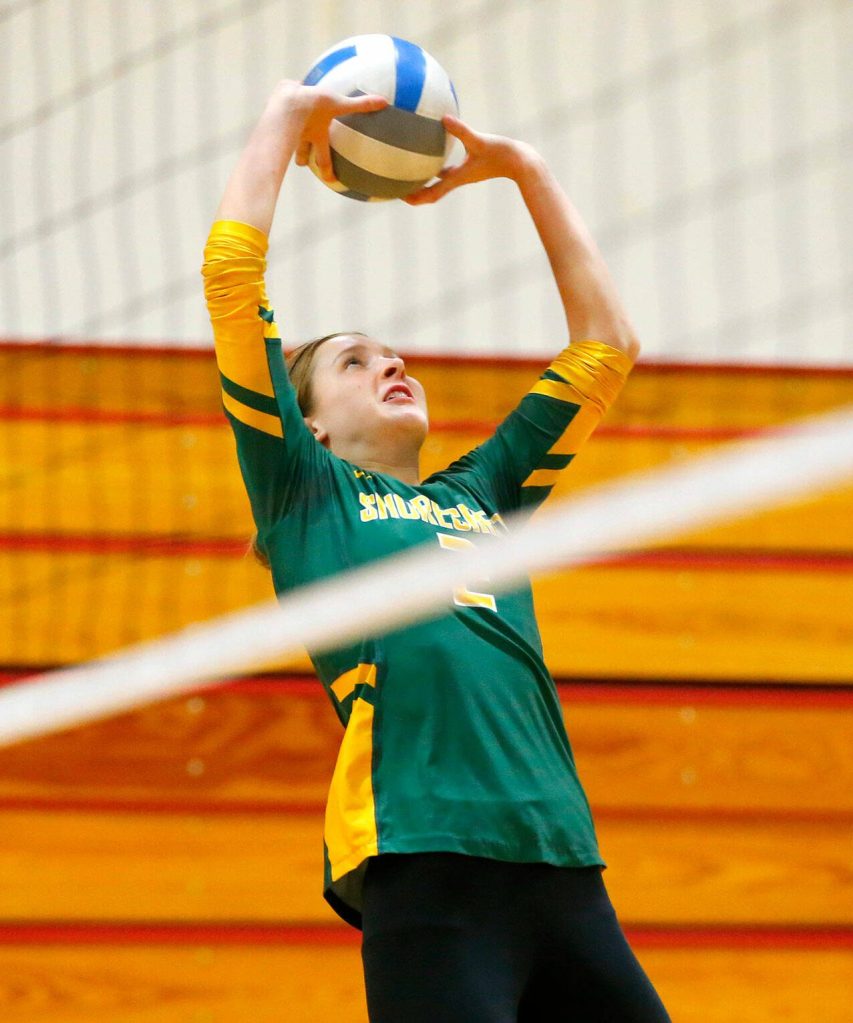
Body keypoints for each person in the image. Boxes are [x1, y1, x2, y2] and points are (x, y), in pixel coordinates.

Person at [202, 79, 669, 1023]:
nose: (392, 364)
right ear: (310, 426)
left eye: (393, 353)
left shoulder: (482, 496)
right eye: (355, 361)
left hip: (562, 862)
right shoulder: (307, 492)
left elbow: (605, 346)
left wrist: (524, 171)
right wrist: (285, 115)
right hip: (426, 863)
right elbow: (232, 278)